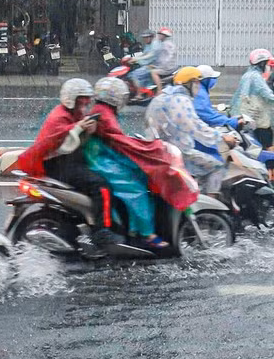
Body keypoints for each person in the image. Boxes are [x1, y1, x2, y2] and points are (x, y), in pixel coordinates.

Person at [16, 78, 124, 247]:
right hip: (60, 166)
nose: (85, 105)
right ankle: (101, 231)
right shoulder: (59, 117)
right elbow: (61, 143)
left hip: (69, 162)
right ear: (71, 99)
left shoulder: (73, 115)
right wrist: (79, 127)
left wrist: (88, 129)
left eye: (87, 101)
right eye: (82, 101)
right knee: (101, 187)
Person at [83, 79, 167, 251]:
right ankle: (147, 234)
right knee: (137, 189)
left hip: (103, 156)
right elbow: (119, 141)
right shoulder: (105, 114)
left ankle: (133, 229)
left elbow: (117, 139)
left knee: (140, 177)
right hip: (101, 161)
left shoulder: (102, 110)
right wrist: (147, 149)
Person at [146, 67, 233, 192]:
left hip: (158, 150)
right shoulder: (180, 100)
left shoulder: (162, 97)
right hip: (178, 153)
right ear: (191, 83)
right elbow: (195, 127)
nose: (198, 86)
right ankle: (211, 201)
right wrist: (221, 137)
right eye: (197, 83)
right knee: (217, 167)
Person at [231, 49, 274, 152]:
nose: (269, 67)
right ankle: (273, 161)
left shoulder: (247, 75)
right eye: (267, 64)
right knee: (269, 143)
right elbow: (267, 95)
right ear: (262, 64)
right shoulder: (256, 77)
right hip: (258, 119)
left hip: (245, 118)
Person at [193, 65, 239, 131]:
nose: (214, 80)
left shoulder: (199, 89)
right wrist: (233, 122)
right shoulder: (200, 93)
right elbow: (209, 117)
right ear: (206, 80)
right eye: (212, 78)